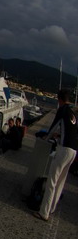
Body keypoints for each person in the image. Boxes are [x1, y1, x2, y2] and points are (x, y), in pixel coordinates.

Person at [34, 89, 78, 221]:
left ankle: (44, 212)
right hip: (73, 151)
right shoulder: (72, 113)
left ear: (59, 99)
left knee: (52, 181)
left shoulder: (62, 110)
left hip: (64, 150)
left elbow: (54, 126)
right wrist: (59, 135)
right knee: (60, 182)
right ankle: (52, 208)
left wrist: (46, 138)